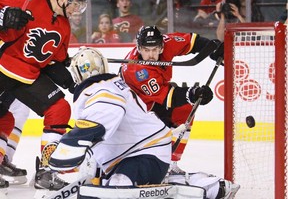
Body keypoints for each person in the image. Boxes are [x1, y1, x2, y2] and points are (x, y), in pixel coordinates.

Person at [47, 47, 240, 199]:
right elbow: (105, 134)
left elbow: (105, 113)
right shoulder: (111, 85)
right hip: (135, 153)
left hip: (146, 152)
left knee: (118, 186)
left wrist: (73, 142)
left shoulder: (101, 89)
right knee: (101, 186)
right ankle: (202, 183)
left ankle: (205, 187)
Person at [0, 0, 87, 192]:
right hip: (5, 66)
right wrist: (3, 16)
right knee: (4, 117)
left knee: (59, 108)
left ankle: (47, 171)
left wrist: (69, 81)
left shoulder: (64, 26)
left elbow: (52, 63)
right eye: (75, 4)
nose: (77, 10)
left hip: (29, 75)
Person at [120, 25, 223, 174]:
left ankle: (172, 164)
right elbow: (168, 97)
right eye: (146, 50)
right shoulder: (136, 71)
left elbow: (193, 42)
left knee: (186, 109)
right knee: (154, 129)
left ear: (162, 46)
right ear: (139, 48)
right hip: (135, 105)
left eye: (155, 50)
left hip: (154, 97)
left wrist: (213, 48)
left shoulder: (168, 42)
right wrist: (193, 94)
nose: (150, 55)